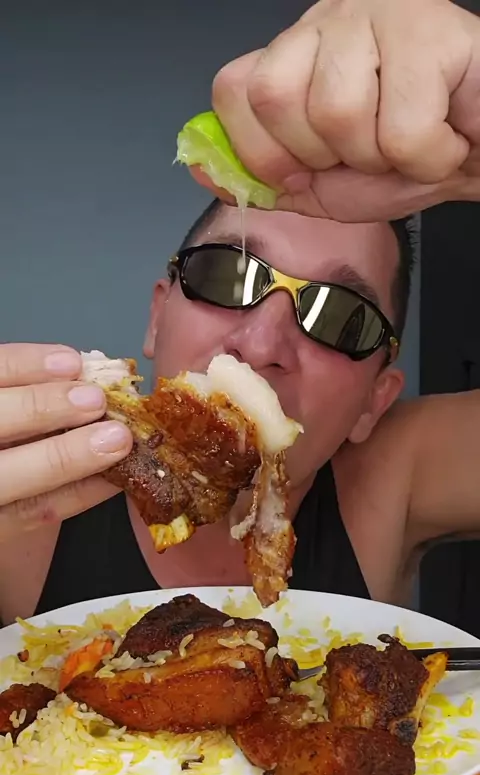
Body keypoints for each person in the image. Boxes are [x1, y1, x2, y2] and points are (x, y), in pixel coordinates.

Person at [0, 0, 479, 625]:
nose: (261, 342)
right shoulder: (26, 501)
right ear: (157, 317)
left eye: (340, 315)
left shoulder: (394, 473)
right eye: (228, 274)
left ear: (373, 401)